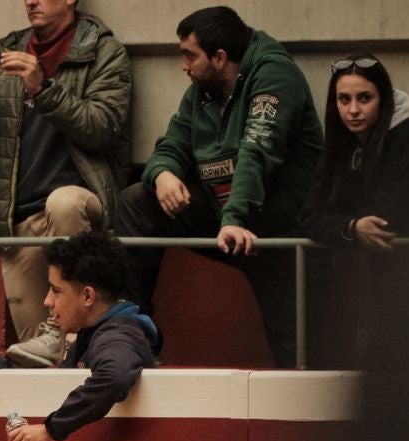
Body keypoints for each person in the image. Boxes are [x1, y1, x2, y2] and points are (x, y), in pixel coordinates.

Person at [114, 5, 322, 368]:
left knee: (297, 350)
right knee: (136, 202)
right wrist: (163, 174)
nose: (184, 65)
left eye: (189, 55)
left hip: (276, 230)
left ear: (220, 56)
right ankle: (133, 339)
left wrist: (236, 217)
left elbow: (257, 151)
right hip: (224, 219)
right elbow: (172, 144)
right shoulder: (201, 90)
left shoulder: (274, 75)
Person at [0, 0, 131, 366]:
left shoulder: (103, 50)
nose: (31, 1)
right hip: (20, 221)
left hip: (78, 209)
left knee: (63, 202)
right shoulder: (8, 52)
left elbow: (104, 126)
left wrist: (43, 88)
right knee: (42, 360)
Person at [0, 229, 160, 441]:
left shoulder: (117, 335)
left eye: (56, 290)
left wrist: (50, 430)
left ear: (88, 297)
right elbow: (55, 378)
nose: (47, 301)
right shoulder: (94, 334)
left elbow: (114, 377)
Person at [300, 55, 409, 367]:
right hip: (385, 279)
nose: (353, 110)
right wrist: (351, 227)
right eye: (344, 99)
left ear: (383, 100)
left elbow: (387, 218)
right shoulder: (341, 141)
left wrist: (345, 223)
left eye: (365, 98)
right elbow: (309, 213)